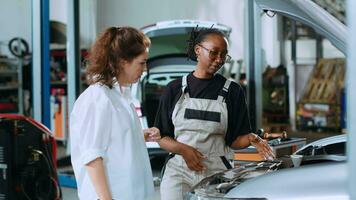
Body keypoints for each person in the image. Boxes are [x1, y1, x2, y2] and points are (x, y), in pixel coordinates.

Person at [154, 27, 275, 200]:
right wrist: (183, 149)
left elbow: (234, 141)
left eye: (224, 55)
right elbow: (162, 137)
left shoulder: (233, 91)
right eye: (214, 53)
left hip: (217, 173)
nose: (219, 59)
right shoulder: (174, 89)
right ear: (198, 50)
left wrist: (251, 138)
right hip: (179, 172)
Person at [70, 26, 160, 200]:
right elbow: (92, 157)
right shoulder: (97, 98)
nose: (145, 69)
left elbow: (111, 138)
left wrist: (138, 135)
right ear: (122, 61)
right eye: (142, 62)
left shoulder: (119, 96)